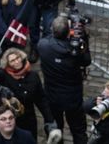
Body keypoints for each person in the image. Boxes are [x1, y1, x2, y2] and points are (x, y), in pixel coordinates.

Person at [36, 16, 91, 144]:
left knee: (56, 128)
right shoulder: (74, 52)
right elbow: (87, 60)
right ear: (68, 32)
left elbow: (50, 39)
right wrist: (83, 37)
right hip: (73, 98)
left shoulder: (43, 46)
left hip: (52, 96)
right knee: (78, 130)